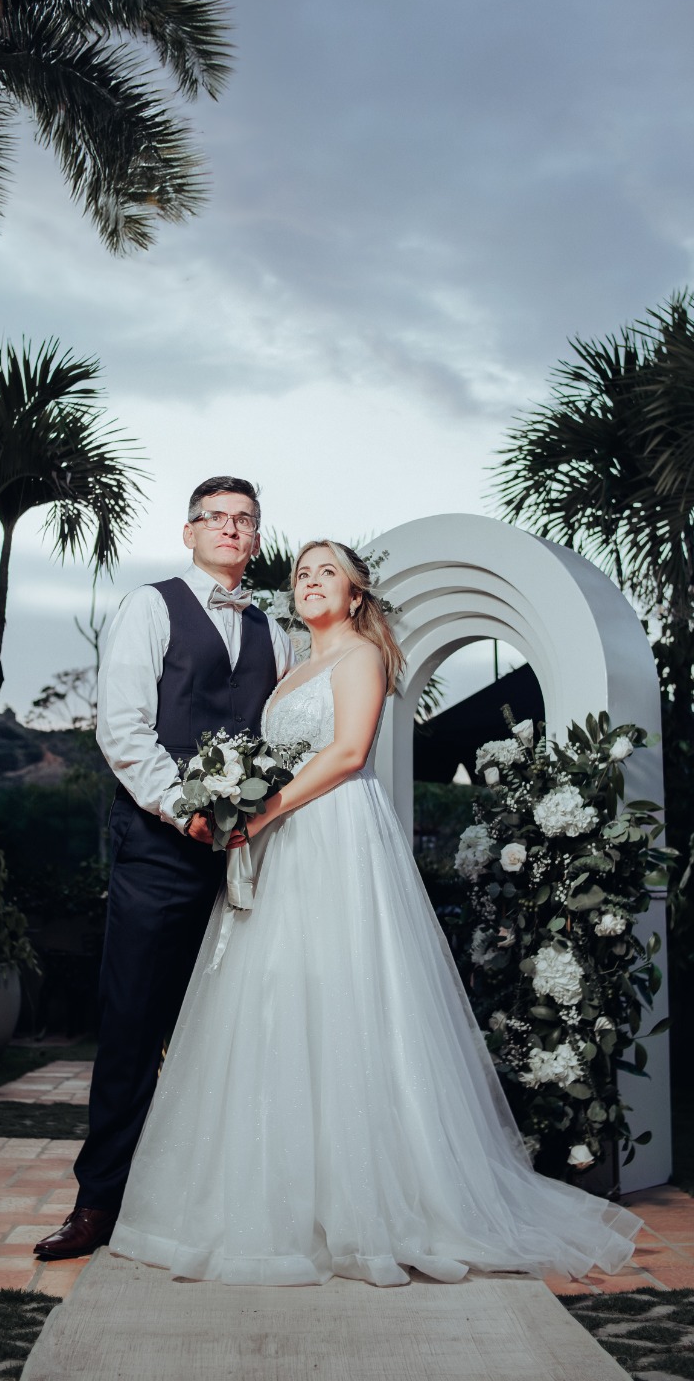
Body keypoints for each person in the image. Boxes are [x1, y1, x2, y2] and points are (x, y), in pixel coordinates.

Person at [109, 539, 642, 1286]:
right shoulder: (292, 664)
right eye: (302, 572)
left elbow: (348, 753)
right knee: (277, 1005)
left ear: (357, 595)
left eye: (328, 572)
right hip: (286, 840)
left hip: (332, 834)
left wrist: (257, 817)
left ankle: (374, 1205)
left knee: (347, 1002)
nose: (310, 582)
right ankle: (280, 1196)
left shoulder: (360, 655)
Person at [34, 477, 294, 1261]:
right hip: (159, 851)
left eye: (245, 520)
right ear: (190, 532)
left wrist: (252, 817)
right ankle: (99, 1204)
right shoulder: (151, 607)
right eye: (217, 517)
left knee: (238, 1032)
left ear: (256, 538)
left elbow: (278, 732)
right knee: (133, 1027)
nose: (232, 529)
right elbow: (123, 728)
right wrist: (185, 810)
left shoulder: (276, 626)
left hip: (251, 857)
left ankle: (214, 1202)